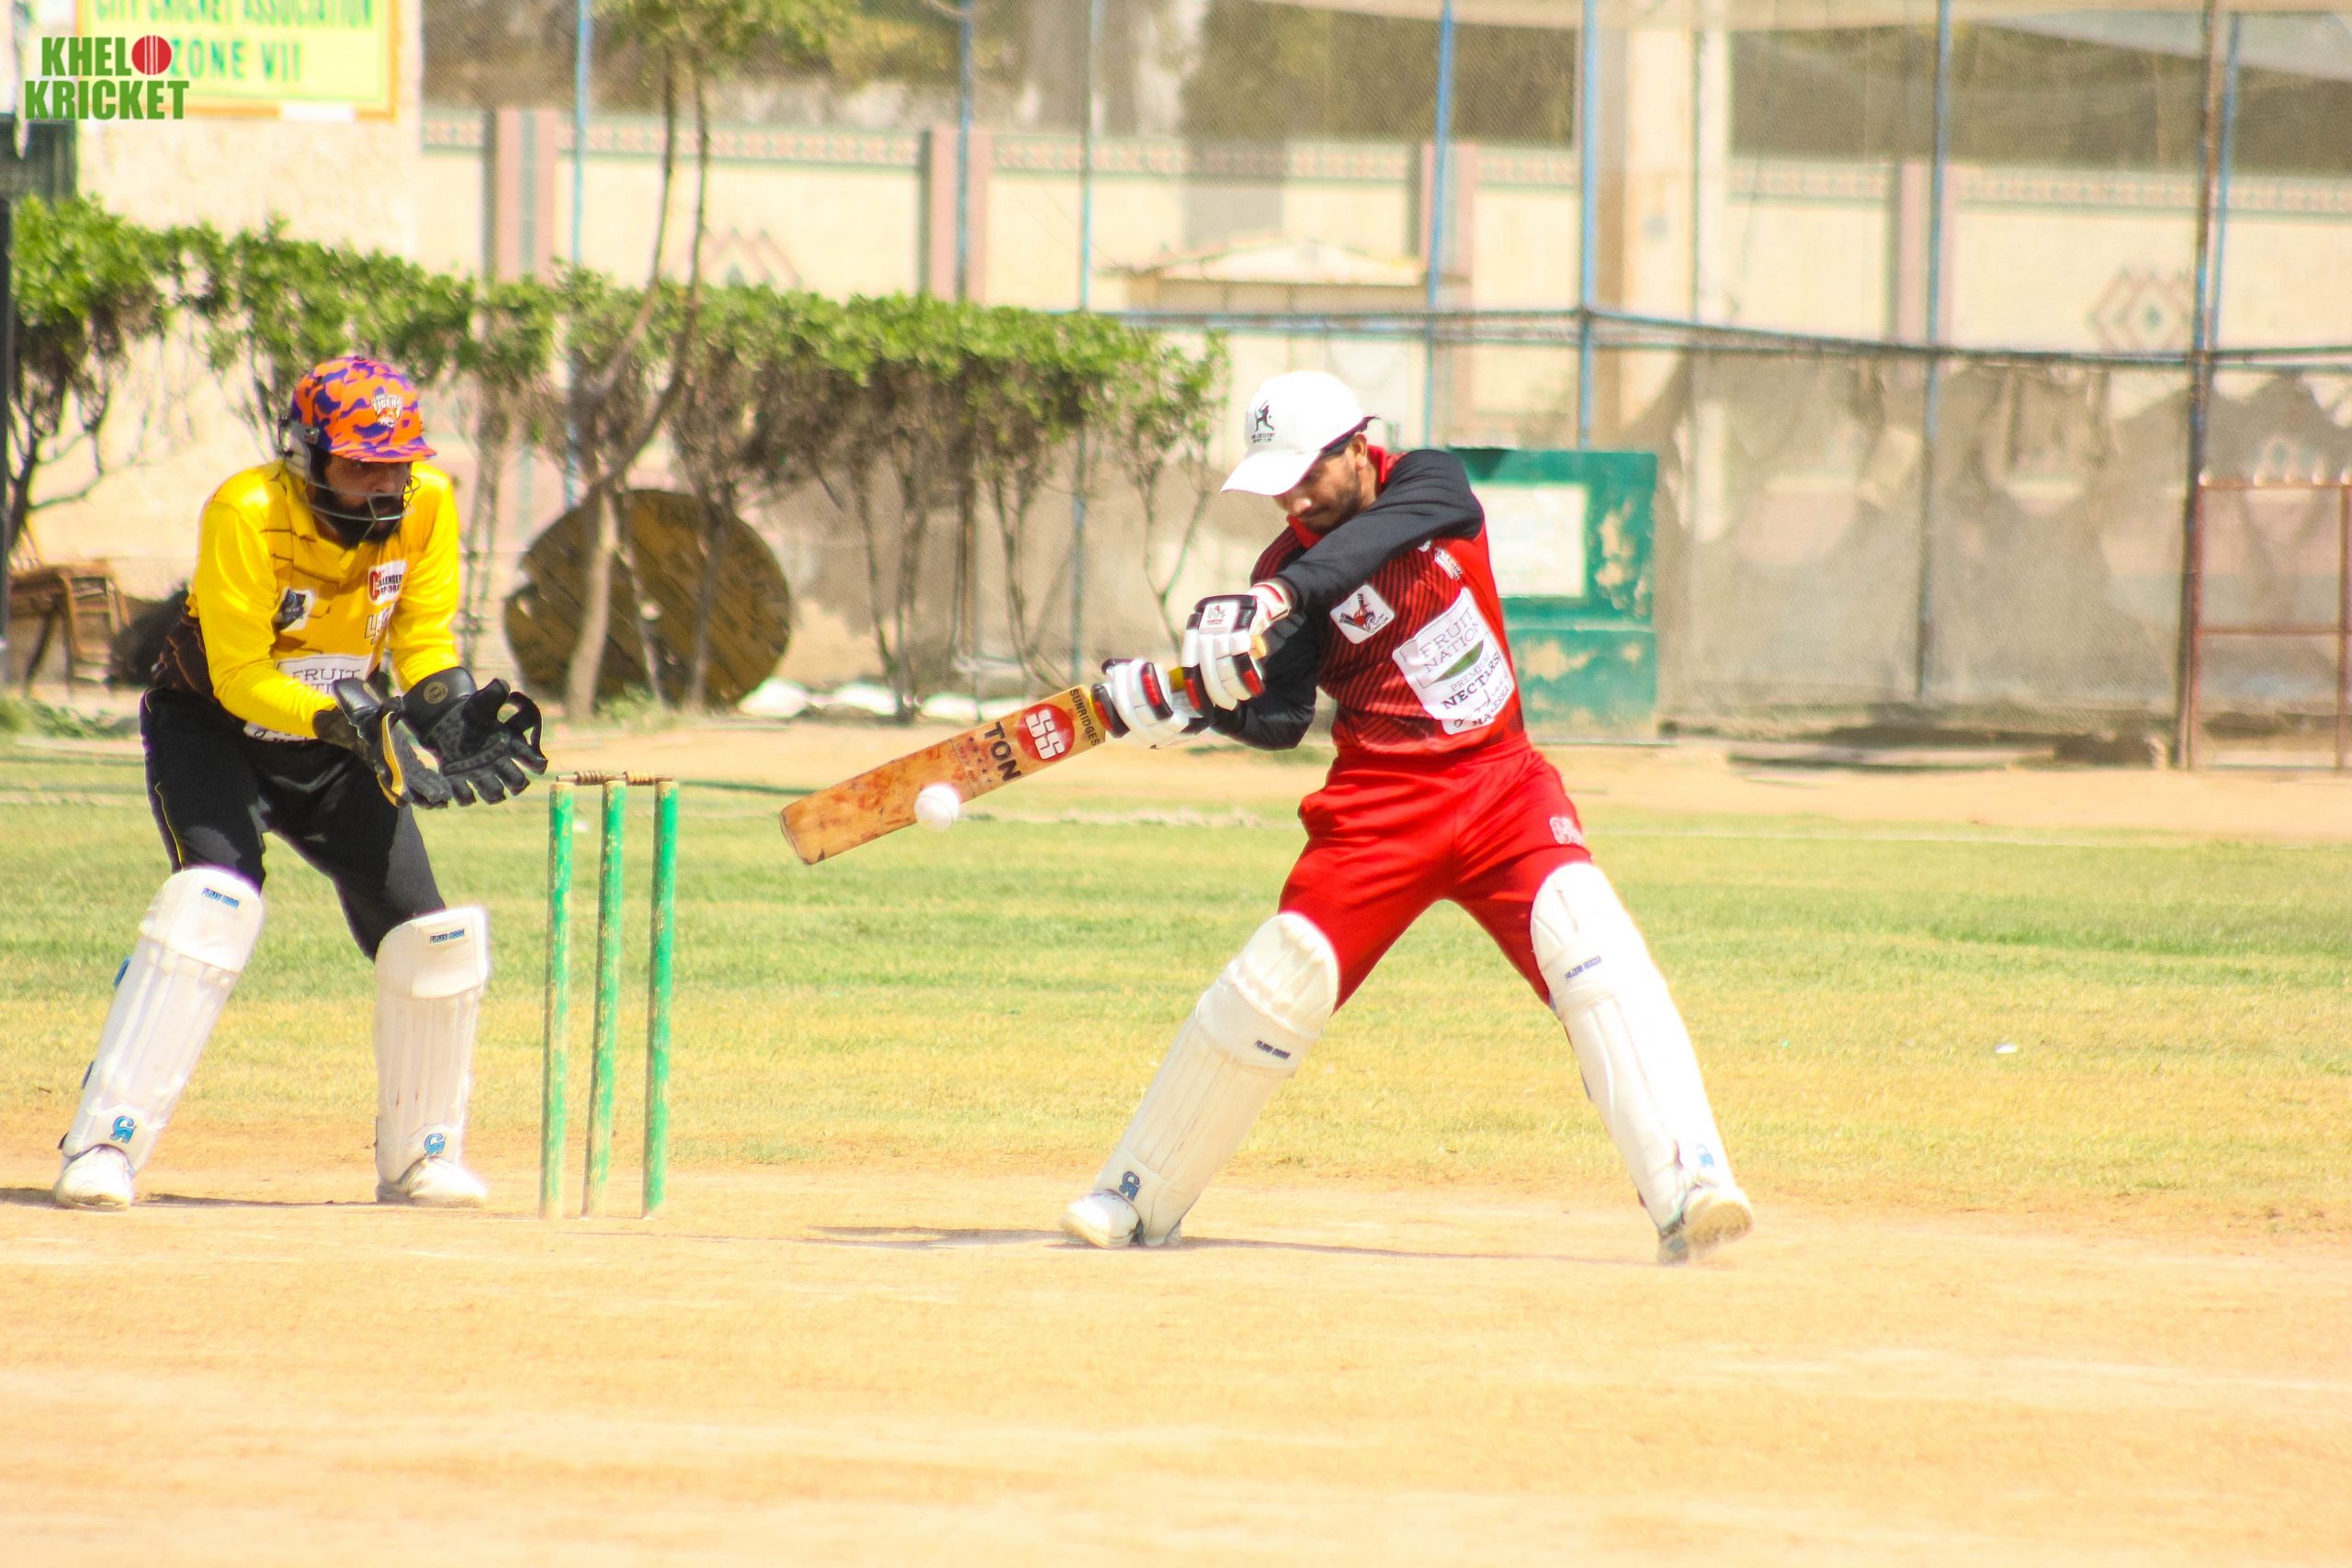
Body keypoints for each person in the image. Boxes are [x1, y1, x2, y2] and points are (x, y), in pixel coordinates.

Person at [1070, 370, 1753, 1263]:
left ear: (1360, 446)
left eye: (1307, 473)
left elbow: (1385, 537)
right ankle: (1135, 1195)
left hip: (1504, 788)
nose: (1292, 498)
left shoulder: (1428, 482)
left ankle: (1689, 1187)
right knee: (1277, 981)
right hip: (1380, 808)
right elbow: (1280, 719)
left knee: (1593, 949)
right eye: (1277, 482)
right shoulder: (1283, 570)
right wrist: (1192, 704)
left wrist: (1280, 598)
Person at [51, 355, 548, 1212]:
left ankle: (422, 1156)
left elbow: (422, 633)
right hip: (214, 727)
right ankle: (105, 1144)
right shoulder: (246, 508)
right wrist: (346, 720)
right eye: (359, 465)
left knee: (429, 936)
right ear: (305, 453)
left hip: (340, 735)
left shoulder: (428, 502)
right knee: (211, 902)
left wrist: (444, 705)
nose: (383, 484)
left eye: (397, 464)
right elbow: (241, 673)